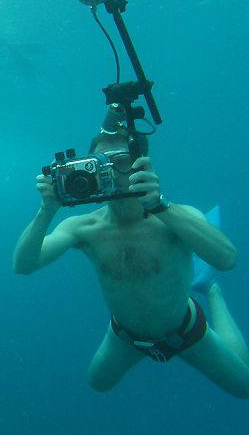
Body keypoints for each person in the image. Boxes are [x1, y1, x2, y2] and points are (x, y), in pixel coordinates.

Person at [13, 120, 248, 398]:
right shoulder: (84, 228)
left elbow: (226, 258)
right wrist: (47, 209)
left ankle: (212, 291)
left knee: (244, 388)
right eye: (100, 162)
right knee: (98, 382)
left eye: (120, 161)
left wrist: (161, 205)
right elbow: (24, 264)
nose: (111, 170)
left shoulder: (173, 218)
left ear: (142, 164)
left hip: (184, 326)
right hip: (125, 333)